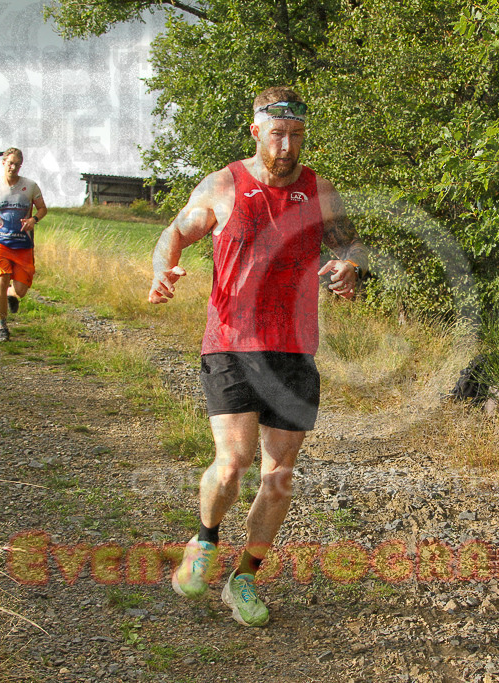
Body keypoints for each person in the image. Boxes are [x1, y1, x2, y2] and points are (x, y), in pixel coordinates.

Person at [149, 86, 367, 627]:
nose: (288, 145)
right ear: (256, 131)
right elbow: (175, 232)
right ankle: (203, 542)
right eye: (278, 133)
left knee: (279, 475)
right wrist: (164, 269)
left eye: (296, 134)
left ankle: (243, 575)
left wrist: (349, 269)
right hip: (230, 342)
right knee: (233, 464)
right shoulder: (225, 185)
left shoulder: (320, 191)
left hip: (294, 349)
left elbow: (349, 246)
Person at [0, 148, 47, 342]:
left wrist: (34, 220)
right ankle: (2, 328)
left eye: (16, 164)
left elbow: (42, 209)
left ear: (20, 165)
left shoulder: (30, 186)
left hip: (23, 244)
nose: (13, 167)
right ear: (3, 163)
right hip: (0, 243)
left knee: (21, 289)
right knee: (1, 280)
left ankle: (11, 294)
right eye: (9, 163)